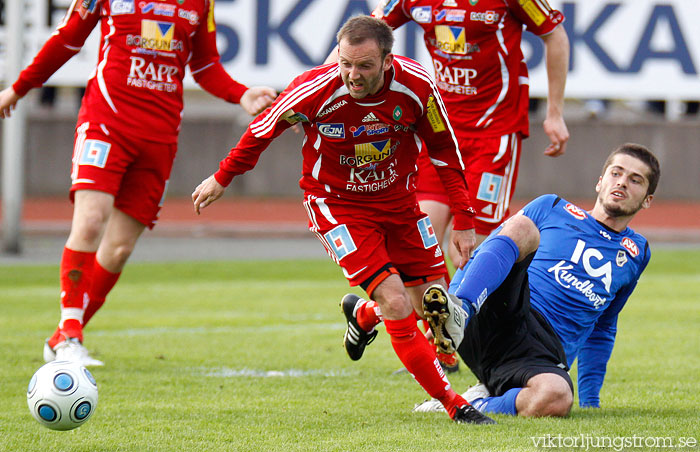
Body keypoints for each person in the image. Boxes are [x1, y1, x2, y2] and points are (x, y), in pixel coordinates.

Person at [192, 15, 494, 425]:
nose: (352, 75)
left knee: (435, 308)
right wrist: (222, 176)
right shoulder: (313, 89)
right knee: (397, 299)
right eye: (345, 63)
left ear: (387, 61)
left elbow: (444, 150)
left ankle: (363, 316)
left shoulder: (417, 87)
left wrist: (463, 218)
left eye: (364, 66)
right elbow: (261, 132)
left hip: (401, 204)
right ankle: (454, 404)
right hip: (337, 208)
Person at [0, 0, 276, 366]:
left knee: (118, 250)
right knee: (90, 221)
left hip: (159, 137)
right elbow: (67, 40)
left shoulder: (200, 2)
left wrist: (240, 93)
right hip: (106, 123)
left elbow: (206, 65)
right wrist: (19, 88)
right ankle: (69, 333)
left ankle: (64, 336)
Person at [413, 143, 660, 417]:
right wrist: (458, 304)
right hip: (501, 310)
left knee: (557, 397)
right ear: (600, 182)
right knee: (520, 227)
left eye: (635, 180)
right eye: (616, 173)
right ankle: (460, 313)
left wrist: (591, 404)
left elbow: (603, 328)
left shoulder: (637, 253)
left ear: (647, 199)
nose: (622, 182)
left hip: (538, 354)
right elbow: (486, 251)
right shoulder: (552, 207)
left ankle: (469, 402)